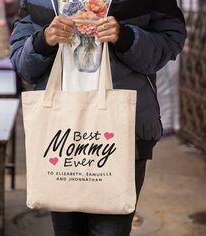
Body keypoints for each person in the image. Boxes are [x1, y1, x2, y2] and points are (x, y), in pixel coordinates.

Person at [10, 0, 187, 235]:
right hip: (59, 134)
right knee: (67, 230)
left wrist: (126, 38)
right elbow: (23, 63)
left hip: (122, 132)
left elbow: (171, 38)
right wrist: (44, 41)